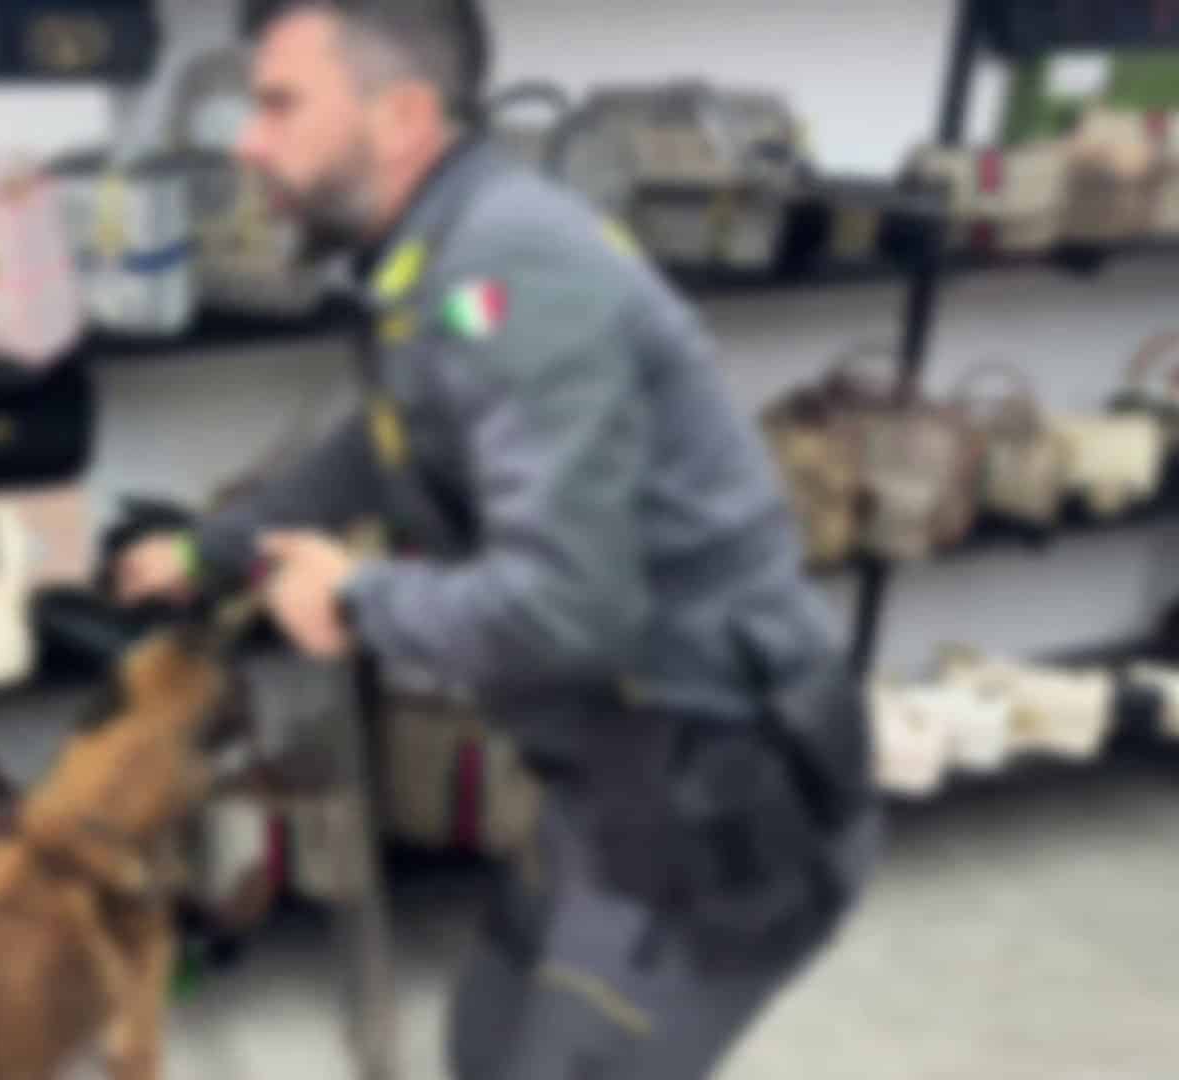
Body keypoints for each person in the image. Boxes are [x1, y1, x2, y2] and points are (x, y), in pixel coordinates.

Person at [114, 1, 881, 1077]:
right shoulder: (437, 255)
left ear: (400, 117)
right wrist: (218, 548)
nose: (246, 141)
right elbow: (387, 440)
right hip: (610, 775)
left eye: (280, 105)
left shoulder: (506, 266)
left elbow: (570, 609)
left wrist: (355, 601)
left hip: (724, 793)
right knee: (485, 1043)